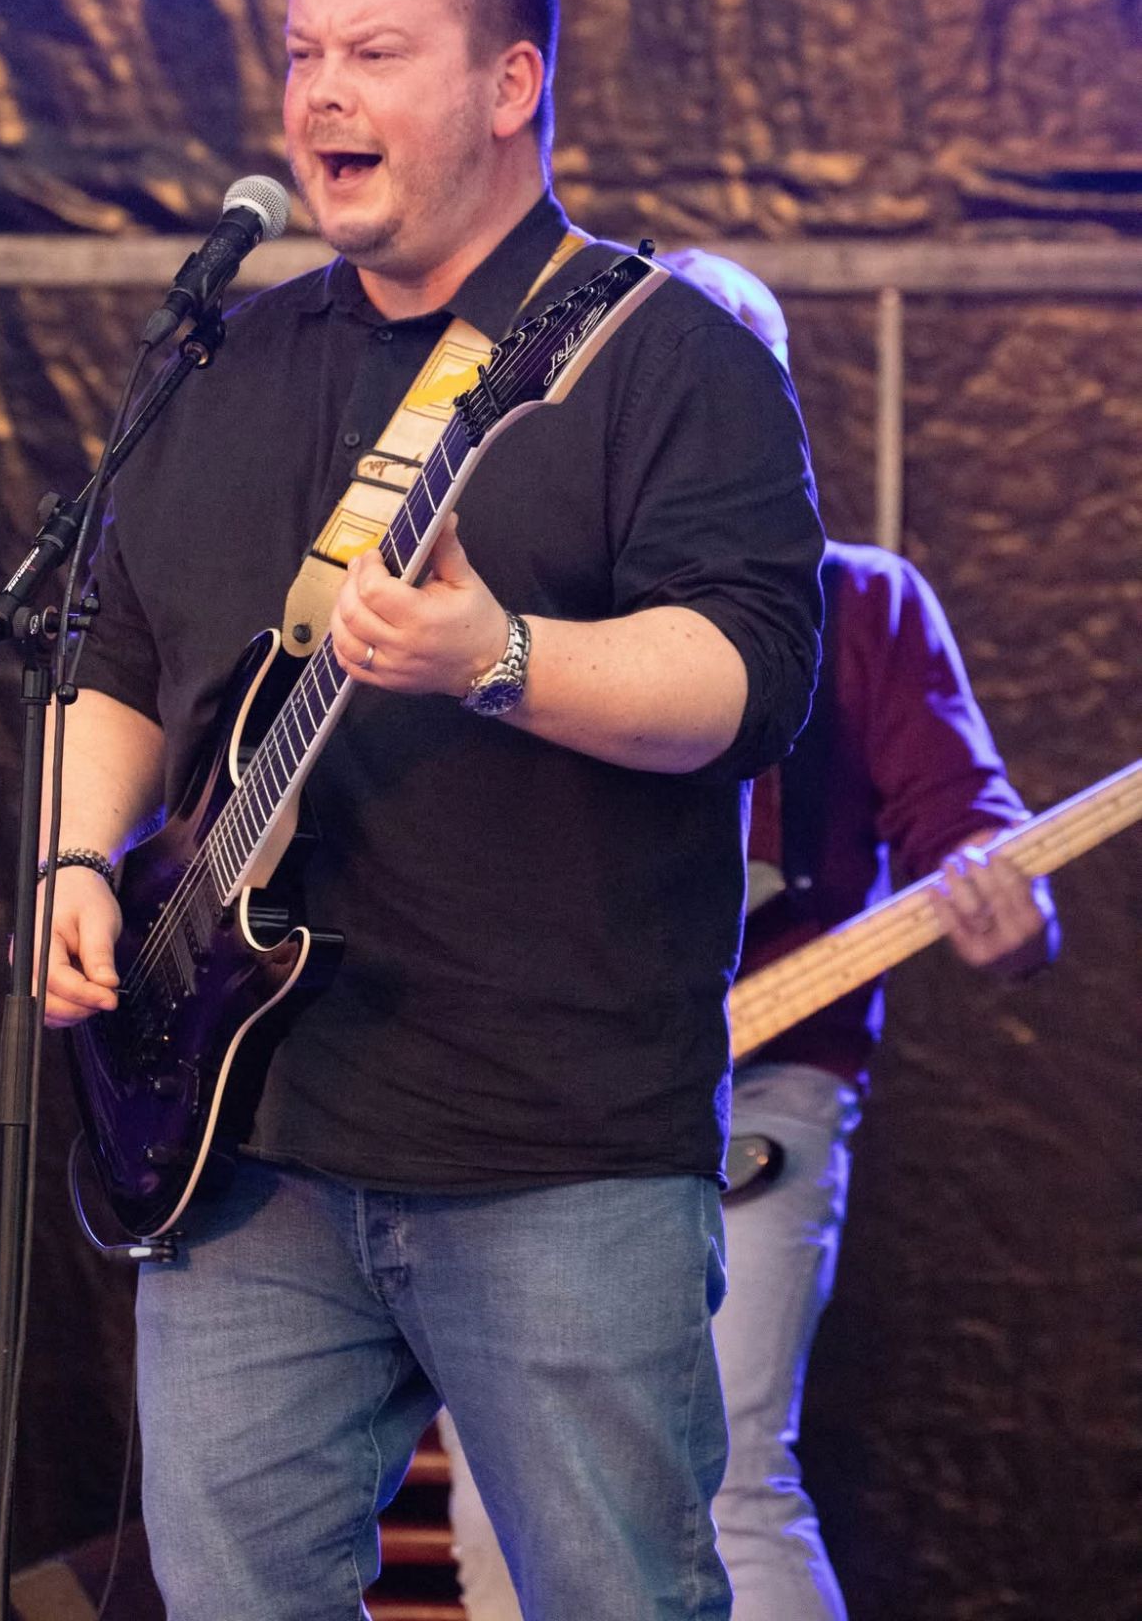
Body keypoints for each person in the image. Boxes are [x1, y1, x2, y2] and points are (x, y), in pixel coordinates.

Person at [37, 0, 824, 1620]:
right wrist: (81, 860)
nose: (319, 92)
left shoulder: (654, 356)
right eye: (302, 52)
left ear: (510, 84)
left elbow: (748, 678)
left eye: (376, 54)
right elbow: (116, 649)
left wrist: (501, 659)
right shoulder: (224, 360)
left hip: (554, 1146)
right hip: (243, 1140)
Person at [438, 252, 1058, 1621]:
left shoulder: (864, 603)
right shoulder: (528, 605)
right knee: (505, 1497)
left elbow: (972, 833)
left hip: (759, 1080)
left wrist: (1002, 904)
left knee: (723, 1477)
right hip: (545, 1098)